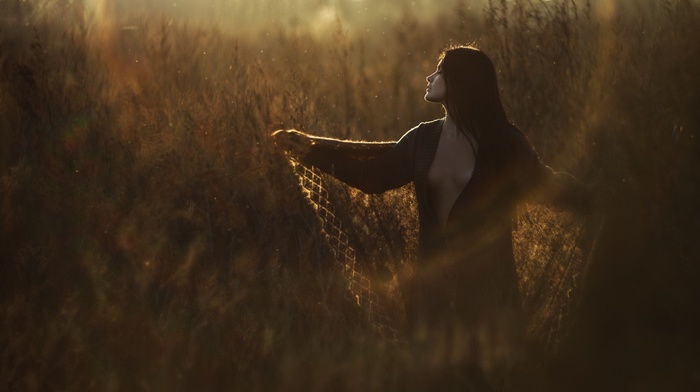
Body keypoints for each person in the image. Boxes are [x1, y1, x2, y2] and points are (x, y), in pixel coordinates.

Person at [273, 45, 590, 383]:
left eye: (439, 70)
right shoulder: (424, 138)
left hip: (490, 294)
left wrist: (594, 198)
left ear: (461, 81)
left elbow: (544, 184)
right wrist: (310, 151)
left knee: (488, 379)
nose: (430, 76)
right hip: (433, 292)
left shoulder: (506, 143)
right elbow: (374, 175)